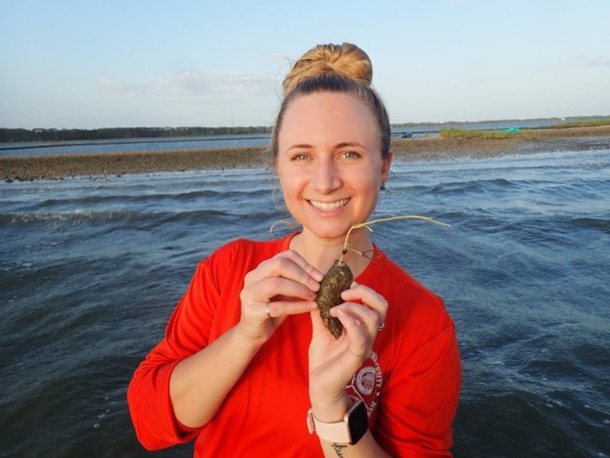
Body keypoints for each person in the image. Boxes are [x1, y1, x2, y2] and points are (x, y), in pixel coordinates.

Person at [128, 42, 461, 457]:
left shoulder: (422, 320)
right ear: (278, 166)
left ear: (384, 166)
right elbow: (151, 422)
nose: (324, 182)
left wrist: (329, 407)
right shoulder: (227, 269)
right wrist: (244, 337)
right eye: (302, 155)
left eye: (350, 154)